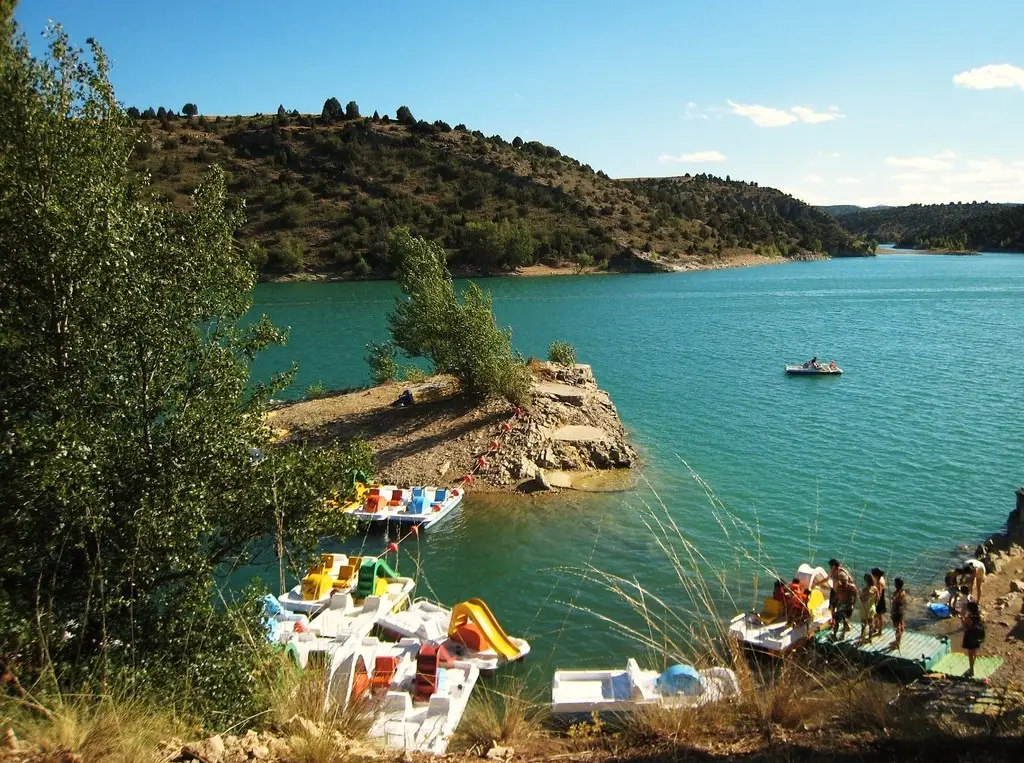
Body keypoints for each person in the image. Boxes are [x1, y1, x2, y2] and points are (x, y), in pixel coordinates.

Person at [828, 559, 856, 640]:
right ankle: (843, 625)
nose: (829, 567)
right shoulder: (837, 572)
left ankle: (835, 626)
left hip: (838, 593)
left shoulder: (842, 574)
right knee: (839, 611)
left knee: (835, 609)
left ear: (833, 566)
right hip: (837, 592)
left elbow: (850, 580)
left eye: (830, 566)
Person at [961, 601, 986, 677]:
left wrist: (962, 619)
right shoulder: (980, 615)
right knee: (974, 652)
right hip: (977, 636)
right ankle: (972, 667)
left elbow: (965, 627)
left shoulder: (969, 617)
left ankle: (971, 671)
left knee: (970, 654)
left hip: (970, 637)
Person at [859, 573, 879, 642]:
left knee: (863, 624)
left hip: (865, 609)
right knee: (871, 624)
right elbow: (877, 598)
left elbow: (862, 599)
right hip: (872, 608)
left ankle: (862, 638)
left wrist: (860, 594)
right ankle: (870, 638)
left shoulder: (865, 589)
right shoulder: (875, 588)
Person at [890, 578, 907, 651]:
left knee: (897, 628)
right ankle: (898, 640)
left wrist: (892, 612)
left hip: (896, 611)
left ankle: (897, 643)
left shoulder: (896, 593)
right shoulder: (903, 592)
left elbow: (893, 602)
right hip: (901, 610)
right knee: (901, 624)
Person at [871, 568, 887, 637]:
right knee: (879, 616)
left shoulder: (879, 582)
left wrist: (876, 602)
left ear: (876, 575)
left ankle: (877, 630)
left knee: (875, 616)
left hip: (879, 601)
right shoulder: (882, 578)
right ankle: (877, 629)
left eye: (873, 575)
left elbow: (879, 594)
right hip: (882, 600)